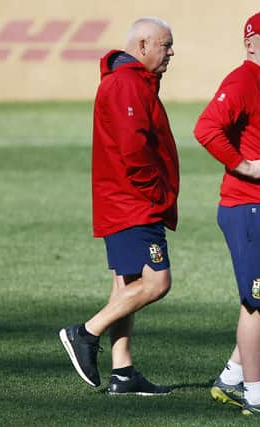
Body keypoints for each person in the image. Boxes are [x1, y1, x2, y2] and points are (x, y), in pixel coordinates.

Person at [58, 17, 179, 396]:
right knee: (157, 282)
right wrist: (155, 193)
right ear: (142, 46)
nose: (171, 52)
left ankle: (123, 372)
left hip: (124, 202)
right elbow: (132, 150)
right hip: (134, 203)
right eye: (165, 45)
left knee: (126, 285)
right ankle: (85, 333)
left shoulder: (133, 81)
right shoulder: (127, 84)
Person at [193, 11, 260, 417]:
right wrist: (245, 166)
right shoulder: (241, 81)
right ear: (249, 42)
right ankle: (256, 396)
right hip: (251, 206)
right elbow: (206, 128)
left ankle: (231, 377)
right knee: (257, 302)